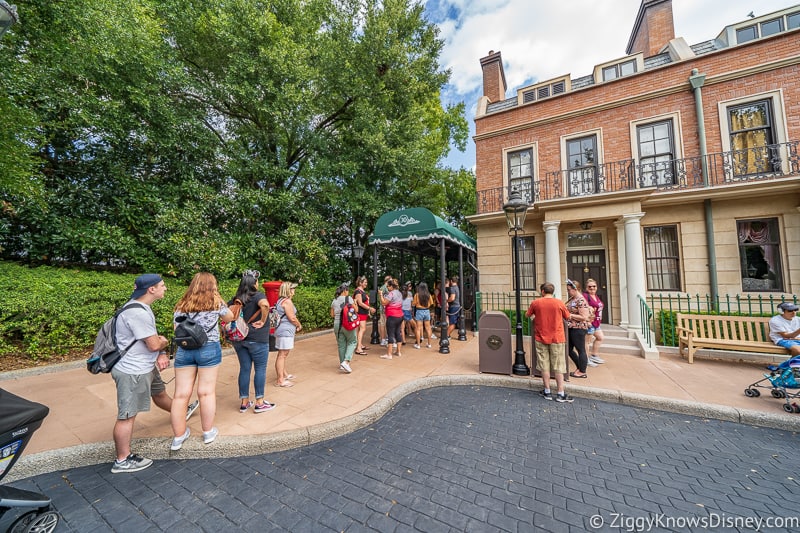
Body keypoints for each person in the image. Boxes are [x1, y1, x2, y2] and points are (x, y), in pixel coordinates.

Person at [110, 274, 171, 473]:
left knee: (160, 394)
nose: (165, 288)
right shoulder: (138, 313)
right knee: (127, 415)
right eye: (162, 285)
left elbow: (150, 340)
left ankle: (180, 412)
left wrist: (160, 348)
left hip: (145, 367)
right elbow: (153, 343)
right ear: (151, 289)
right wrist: (164, 343)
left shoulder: (140, 307)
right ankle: (123, 459)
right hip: (132, 371)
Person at [169, 273, 235, 451]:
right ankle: (207, 432)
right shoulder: (216, 303)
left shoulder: (182, 305)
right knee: (206, 392)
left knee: (181, 395)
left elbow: (177, 328)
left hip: (185, 350)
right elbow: (229, 317)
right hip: (208, 348)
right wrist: (219, 299)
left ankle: (178, 437)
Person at [229, 270, 275, 414]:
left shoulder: (236, 298)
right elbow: (265, 305)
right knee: (260, 369)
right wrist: (262, 320)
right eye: (257, 281)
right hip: (257, 339)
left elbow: (226, 310)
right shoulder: (257, 295)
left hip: (239, 339)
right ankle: (260, 403)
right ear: (254, 283)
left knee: (245, 369)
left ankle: (244, 402)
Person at [526, 282, 573, 403]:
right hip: (557, 337)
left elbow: (527, 315)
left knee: (544, 365)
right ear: (552, 291)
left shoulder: (536, 303)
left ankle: (547, 391)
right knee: (558, 366)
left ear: (542, 291)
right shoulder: (559, 303)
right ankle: (560, 393)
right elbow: (567, 317)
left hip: (541, 337)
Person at [274, 281, 302, 387]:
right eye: (293, 289)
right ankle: (280, 380)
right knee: (282, 355)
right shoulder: (287, 302)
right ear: (288, 290)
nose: (294, 291)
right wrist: (299, 325)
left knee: (282, 354)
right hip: (285, 331)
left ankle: (284, 374)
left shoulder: (280, 300)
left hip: (281, 330)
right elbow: (292, 317)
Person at [565, 278, 591, 379]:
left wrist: (569, 315)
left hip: (578, 328)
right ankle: (579, 368)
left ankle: (582, 371)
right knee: (568, 349)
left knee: (581, 350)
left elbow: (584, 317)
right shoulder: (572, 299)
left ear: (575, 289)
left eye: (569, 290)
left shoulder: (581, 300)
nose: (568, 291)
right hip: (571, 327)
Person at [331, 282, 357, 373]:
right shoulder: (348, 298)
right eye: (348, 290)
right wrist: (355, 303)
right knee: (352, 341)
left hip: (337, 325)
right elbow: (356, 310)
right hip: (347, 324)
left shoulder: (334, 300)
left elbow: (332, 314)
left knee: (341, 344)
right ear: (345, 290)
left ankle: (342, 364)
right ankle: (346, 362)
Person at [378, 278, 404, 359]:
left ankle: (389, 354)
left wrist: (381, 295)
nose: (388, 288)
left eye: (388, 286)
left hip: (392, 316)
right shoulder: (399, 293)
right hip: (400, 315)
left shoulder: (391, 294)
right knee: (398, 332)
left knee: (390, 334)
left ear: (392, 286)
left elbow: (383, 303)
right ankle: (398, 351)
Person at [583, 278, 606, 365]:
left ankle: (594, 355)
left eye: (594, 286)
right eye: (590, 287)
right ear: (586, 288)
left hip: (596, 323)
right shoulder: (585, 296)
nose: (592, 288)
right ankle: (585, 359)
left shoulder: (596, 296)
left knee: (600, 337)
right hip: (590, 323)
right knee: (587, 342)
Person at [353, 276, 374, 355]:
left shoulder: (361, 291)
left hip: (363, 312)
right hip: (360, 312)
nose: (366, 284)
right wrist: (369, 308)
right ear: (360, 283)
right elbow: (360, 303)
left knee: (360, 329)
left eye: (366, 282)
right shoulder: (358, 292)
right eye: (365, 282)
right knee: (363, 328)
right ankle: (358, 348)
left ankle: (360, 345)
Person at [413, 282, 435, 349]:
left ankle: (418, 345)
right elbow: (431, 303)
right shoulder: (429, 295)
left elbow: (414, 304)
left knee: (418, 328)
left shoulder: (417, 295)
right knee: (428, 328)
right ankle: (429, 344)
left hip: (419, 311)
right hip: (427, 311)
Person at [378, 275, 392, 346]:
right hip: (386, 308)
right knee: (387, 324)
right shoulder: (387, 288)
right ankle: (386, 339)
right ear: (388, 280)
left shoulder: (381, 288)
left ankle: (383, 339)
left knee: (382, 324)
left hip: (382, 308)